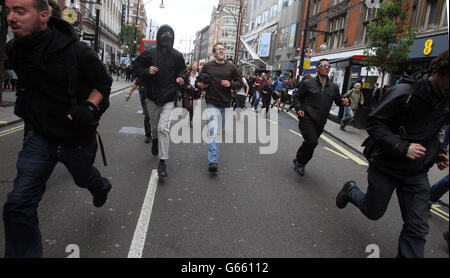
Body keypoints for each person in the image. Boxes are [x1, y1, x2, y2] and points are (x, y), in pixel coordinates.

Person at [4, 0, 112, 258]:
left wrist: (88, 107)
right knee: (18, 204)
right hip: (40, 137)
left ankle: (101, 187)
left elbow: (103, 83)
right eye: (8, 10)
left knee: (83, 177)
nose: (11, 17)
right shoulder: (16, 50)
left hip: (76, 138)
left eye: (20, 11)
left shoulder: (76, 51)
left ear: (43, 16)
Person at [335, 49, 449, 258]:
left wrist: (439, 152)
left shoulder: (446, 100)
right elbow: (375, 123)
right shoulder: (405, 92)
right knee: (373, 211)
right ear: (441, 71)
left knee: (417, 229)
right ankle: (350, 191)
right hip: (386, 165)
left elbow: (433, 132)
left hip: (416, 172)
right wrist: (402, 147)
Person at [133, 24, 185, 178]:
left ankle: (163, 161)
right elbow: (135, 66)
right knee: (154, 125)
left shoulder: (177, 56)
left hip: (169, 97)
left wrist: (181, 78)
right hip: (152, 97)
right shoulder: (149, 54)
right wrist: (146, 71)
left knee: (163, 128)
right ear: (159, 36)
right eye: (164, 33)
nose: (167, 36)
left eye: (170, 33)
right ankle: (154, 140)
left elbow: (183, 70)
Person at [292, 59, 349, 176]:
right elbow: (297, 96)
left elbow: (338, 101)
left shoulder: (333, 87)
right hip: (307, 117)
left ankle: (299, 159)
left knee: (310, 142)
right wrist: (299, 109)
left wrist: (343, 101)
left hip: (321, 121)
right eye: (323, 65)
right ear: (317, 68)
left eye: (328, 66)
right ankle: (301, 163)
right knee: (312, 141)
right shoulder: (308, 83)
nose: (326, 67)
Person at [197, 42, 243, 173]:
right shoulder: (207, 66)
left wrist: (231, 84)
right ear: (214, 53)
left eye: (223, 49)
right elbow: (199, 81)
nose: (222, 51)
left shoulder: (231, 67)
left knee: (218, 131)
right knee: (213, 131)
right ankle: (213, 161)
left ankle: (213, 154)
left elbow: (240, 82)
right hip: (211, 102)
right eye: (219, 49)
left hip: (225, 103)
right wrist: (201, 85)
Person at [125, 79, 152, 143]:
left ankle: (156, 131)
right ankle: (148, 135)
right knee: (147, 115)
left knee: (156, 116)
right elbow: (137, 82)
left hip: (157, 96)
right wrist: (129, 93)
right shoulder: (144, 72)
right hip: (145, 96)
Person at [182, 62, 200, 127]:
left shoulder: (199, 75)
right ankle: (187, 113)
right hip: (187, 93)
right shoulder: (187, 74)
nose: (194, 66)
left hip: (195, 94)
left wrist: (198, 88)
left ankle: (190, 121)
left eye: (196, 66)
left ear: (197, 67)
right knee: (187, 107)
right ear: (191, 66)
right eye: (193, 65)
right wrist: (187, 86)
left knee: (192, 108)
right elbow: (183, 83)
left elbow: (202, 84)